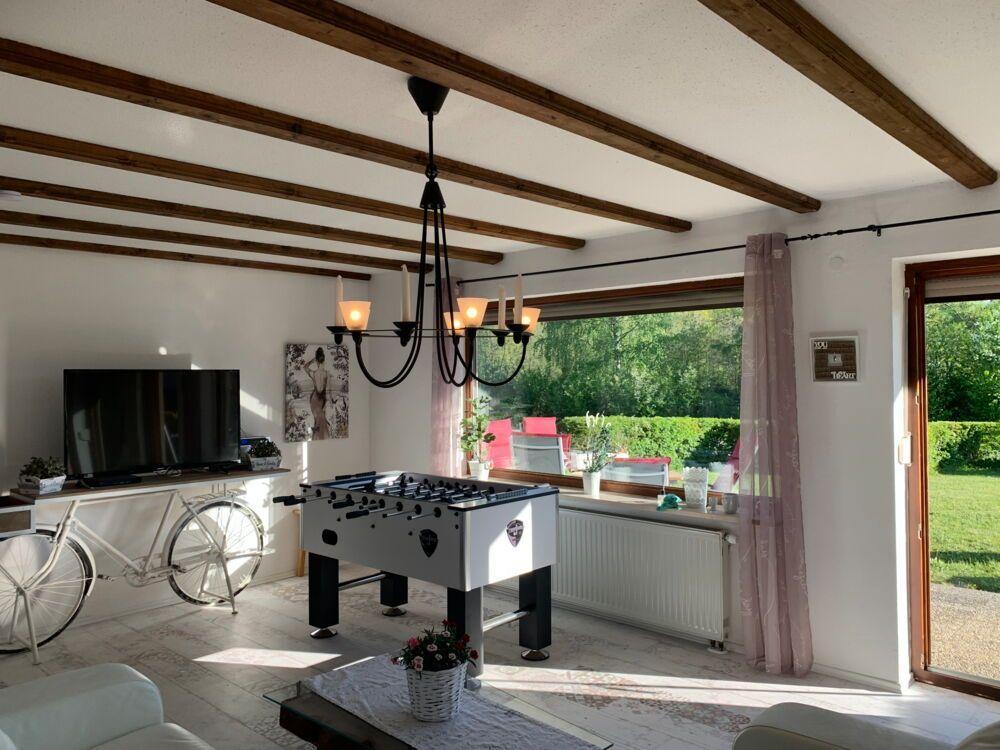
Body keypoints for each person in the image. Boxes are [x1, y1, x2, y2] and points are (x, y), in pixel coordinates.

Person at [305, 347, 331, 439]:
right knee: (321, 420)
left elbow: (305, 367)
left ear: (317, 361)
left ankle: (316, 439)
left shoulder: (314, 373)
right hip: (321, 399)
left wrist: (312, 360)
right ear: (324, 361)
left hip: (314, 399)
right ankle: (319, 440)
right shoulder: (326, 374)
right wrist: (325, 404)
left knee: (317, 420)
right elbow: (326, 391)